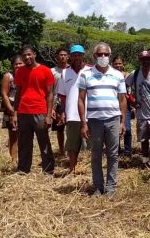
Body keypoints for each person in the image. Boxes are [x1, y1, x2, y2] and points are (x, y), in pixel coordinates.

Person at [78, 42, 127, 198]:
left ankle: (111, 186)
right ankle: (98, 187)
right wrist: (83, 123)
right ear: (94, 56)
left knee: (113, 154)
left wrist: (122, 121)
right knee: (96, 154)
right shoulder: (85, 74)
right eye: (100, 54)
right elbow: (80, 99)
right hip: (94, 121)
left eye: (106, 54)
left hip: (113, 119)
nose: (103, 57)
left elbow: (123, 100)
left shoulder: (118, 75)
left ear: (110, 56)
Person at [12, 46, 55, 174]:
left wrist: (48, 115)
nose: (27, 57)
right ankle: (23, 168)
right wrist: (15, 113)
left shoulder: (45, 70)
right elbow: (18, 93)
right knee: (24, 142)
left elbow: (50, 94)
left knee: (44, 141)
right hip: (23, 111)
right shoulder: (19, 72)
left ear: (34, 54)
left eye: (29, 54)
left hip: (40, 111)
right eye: (24, 55)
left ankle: (48, 169)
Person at [125, 50, 150, 170]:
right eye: (143, 60)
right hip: (141, 113)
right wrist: (132, 100)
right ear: (140, 61)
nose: (145, 62)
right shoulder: (134, 74)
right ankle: (145, 159)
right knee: (144, 138)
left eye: (148, 59)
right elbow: (125, 86)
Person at [57, 45, 89, 174]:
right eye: (74, 54)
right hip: (72, 114)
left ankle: (91, 171)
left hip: (89, 113)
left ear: (83, 55)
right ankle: (72, 169)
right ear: (71, 56)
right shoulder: (65, 72)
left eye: (79, 54)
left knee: (91, 145)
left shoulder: (91, 70)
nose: (77, 57)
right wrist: (62, 112)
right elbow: (62, 95)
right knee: (72, 145)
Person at [0, 55, 24, 163]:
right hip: (11, 106)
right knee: (13, 135)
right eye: (16, 64)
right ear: (12, 65)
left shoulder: (27, 75)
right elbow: (4, 94)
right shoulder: (8, 76)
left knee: (24, 134)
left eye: (20, 63)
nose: (18, 65)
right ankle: (13, 159)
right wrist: (11, 109)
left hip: (24, 107)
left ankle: (23, 157)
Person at [50, 47, 69, 157]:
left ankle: (71, 149)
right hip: (57, 102)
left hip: (70, 102)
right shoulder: (52, 71)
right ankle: (62, 150)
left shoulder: (72, 70)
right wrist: (51, 107)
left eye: (64, 55)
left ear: (68, 56)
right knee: (60, 129)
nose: (62, 57)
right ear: (57, 56)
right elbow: (50, 90)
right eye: (60, 55)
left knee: (71, 128)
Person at [112, 56, 133, 157]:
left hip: (126, 105)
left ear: (123, 64)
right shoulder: (110, 75)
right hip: (113, 105)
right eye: (116, 63)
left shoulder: (128, 76)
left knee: (127, 128)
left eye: (120, 63)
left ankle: (128, 149)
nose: (118, 65)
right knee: (115, 129)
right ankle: (117, 149)